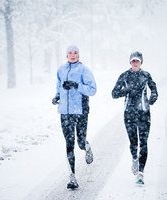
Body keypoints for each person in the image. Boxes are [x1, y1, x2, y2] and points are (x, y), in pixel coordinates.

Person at [52, 45, 97, 189]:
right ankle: (72, 177)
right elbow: (59, 87)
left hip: (81, 111)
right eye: (70, 53)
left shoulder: (84, 70)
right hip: (65, 112)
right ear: (66, 55)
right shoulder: (61, 70)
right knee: (69, 144)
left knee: (80, 142)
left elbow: (92, 89)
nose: (72, 55)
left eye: (75, 52)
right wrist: (57, 97)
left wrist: (76, 85)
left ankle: (87, 147)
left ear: (79, 55)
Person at [111, 51, 158, 184]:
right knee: (134, 143)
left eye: (137, 61)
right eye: (133, 61)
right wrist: (126, 90)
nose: (135, 63)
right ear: (130, 62)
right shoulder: (124, 76)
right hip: (129, 113)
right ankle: (134, 159)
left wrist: (153, 97)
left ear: (141, 62)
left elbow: (154, 89)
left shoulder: (146, 75)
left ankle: (141, 173)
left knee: (143, 143)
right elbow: (114, 93)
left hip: (144, 113)